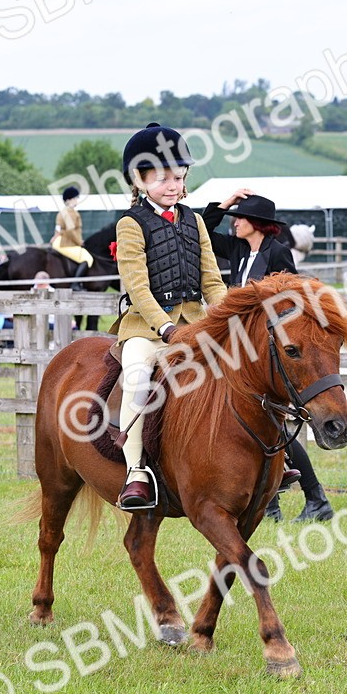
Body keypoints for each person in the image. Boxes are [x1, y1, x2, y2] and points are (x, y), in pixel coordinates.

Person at [114, 123, 228, 509]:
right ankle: (135, 473)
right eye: (162, 178)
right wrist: (163, 326)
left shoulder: (194, 221)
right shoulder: (130, 224)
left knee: (250, 362)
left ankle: (272, 458)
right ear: (139, 179)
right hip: (146, 330)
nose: (173, 186)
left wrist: (229, 317)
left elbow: (212, 280)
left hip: (194, 323)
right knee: (137, 376)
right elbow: (137, 287)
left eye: (178, 178)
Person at [202, 188, 334, 523]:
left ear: (257, 224)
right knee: (252, 423)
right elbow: (202, 231)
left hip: (264, 353)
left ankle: (312, 497)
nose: (235, 224)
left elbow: (292, 303)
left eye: (241, 218)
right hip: (238, 348)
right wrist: (226, 204)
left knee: (269, 423)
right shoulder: (237, 248)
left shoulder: (278, 254)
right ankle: (276, 502)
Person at [52, 186, 93, 287]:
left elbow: (58, 228)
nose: (76, 200)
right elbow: (71, 231)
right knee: (87, 258)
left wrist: (54, 238)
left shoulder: (61, 212)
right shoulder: (72, 213)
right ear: (69, 200)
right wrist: (79, 242)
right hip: (66, 243)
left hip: (58, 241)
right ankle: (75, 284)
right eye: (75, 198)